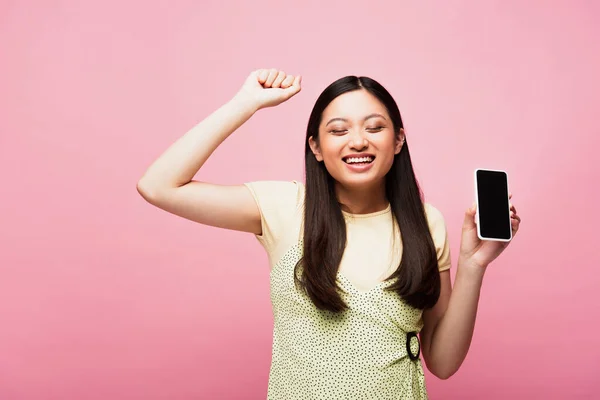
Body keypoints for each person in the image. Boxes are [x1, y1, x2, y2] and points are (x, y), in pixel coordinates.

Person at [136, 69, 521, 399]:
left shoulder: (426, 223)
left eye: (375, 127)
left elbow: (443, 361)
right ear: (316, 148)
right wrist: (245, 103)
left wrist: (474, 264)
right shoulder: (285, 207)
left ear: (398, 141)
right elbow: (159, 186)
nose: (358, 141)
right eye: (338, 130)